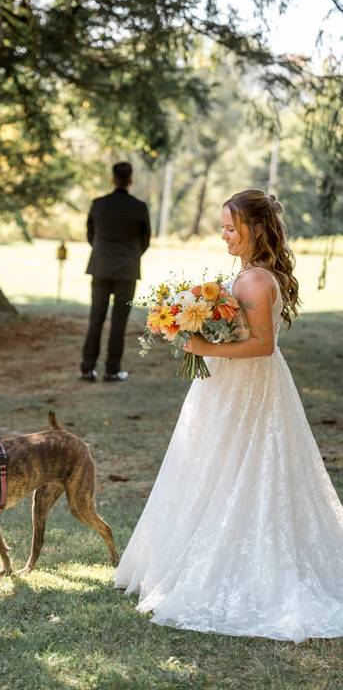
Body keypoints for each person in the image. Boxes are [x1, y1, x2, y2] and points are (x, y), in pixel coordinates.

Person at [114, 189, 343, 642]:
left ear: (255, 228)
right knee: (213, 466)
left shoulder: (257, 280)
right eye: (222, 227)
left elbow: (263, 345)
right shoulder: (248, 272)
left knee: (247, 467)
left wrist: (203, 345)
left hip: (250, 389)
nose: (224, 235)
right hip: (228, 385)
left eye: (230, 228)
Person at [80, 162, 151, 382]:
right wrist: (130, 255)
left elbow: (90, 235)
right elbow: (145, 240)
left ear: (113, 179)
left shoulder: (98, 204)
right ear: (130, 180)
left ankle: (87, 368)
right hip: (127, 270)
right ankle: (112, 369)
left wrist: (103, 252)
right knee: (119, 321)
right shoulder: (139, 207)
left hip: (100, 267)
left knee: (96, 318)